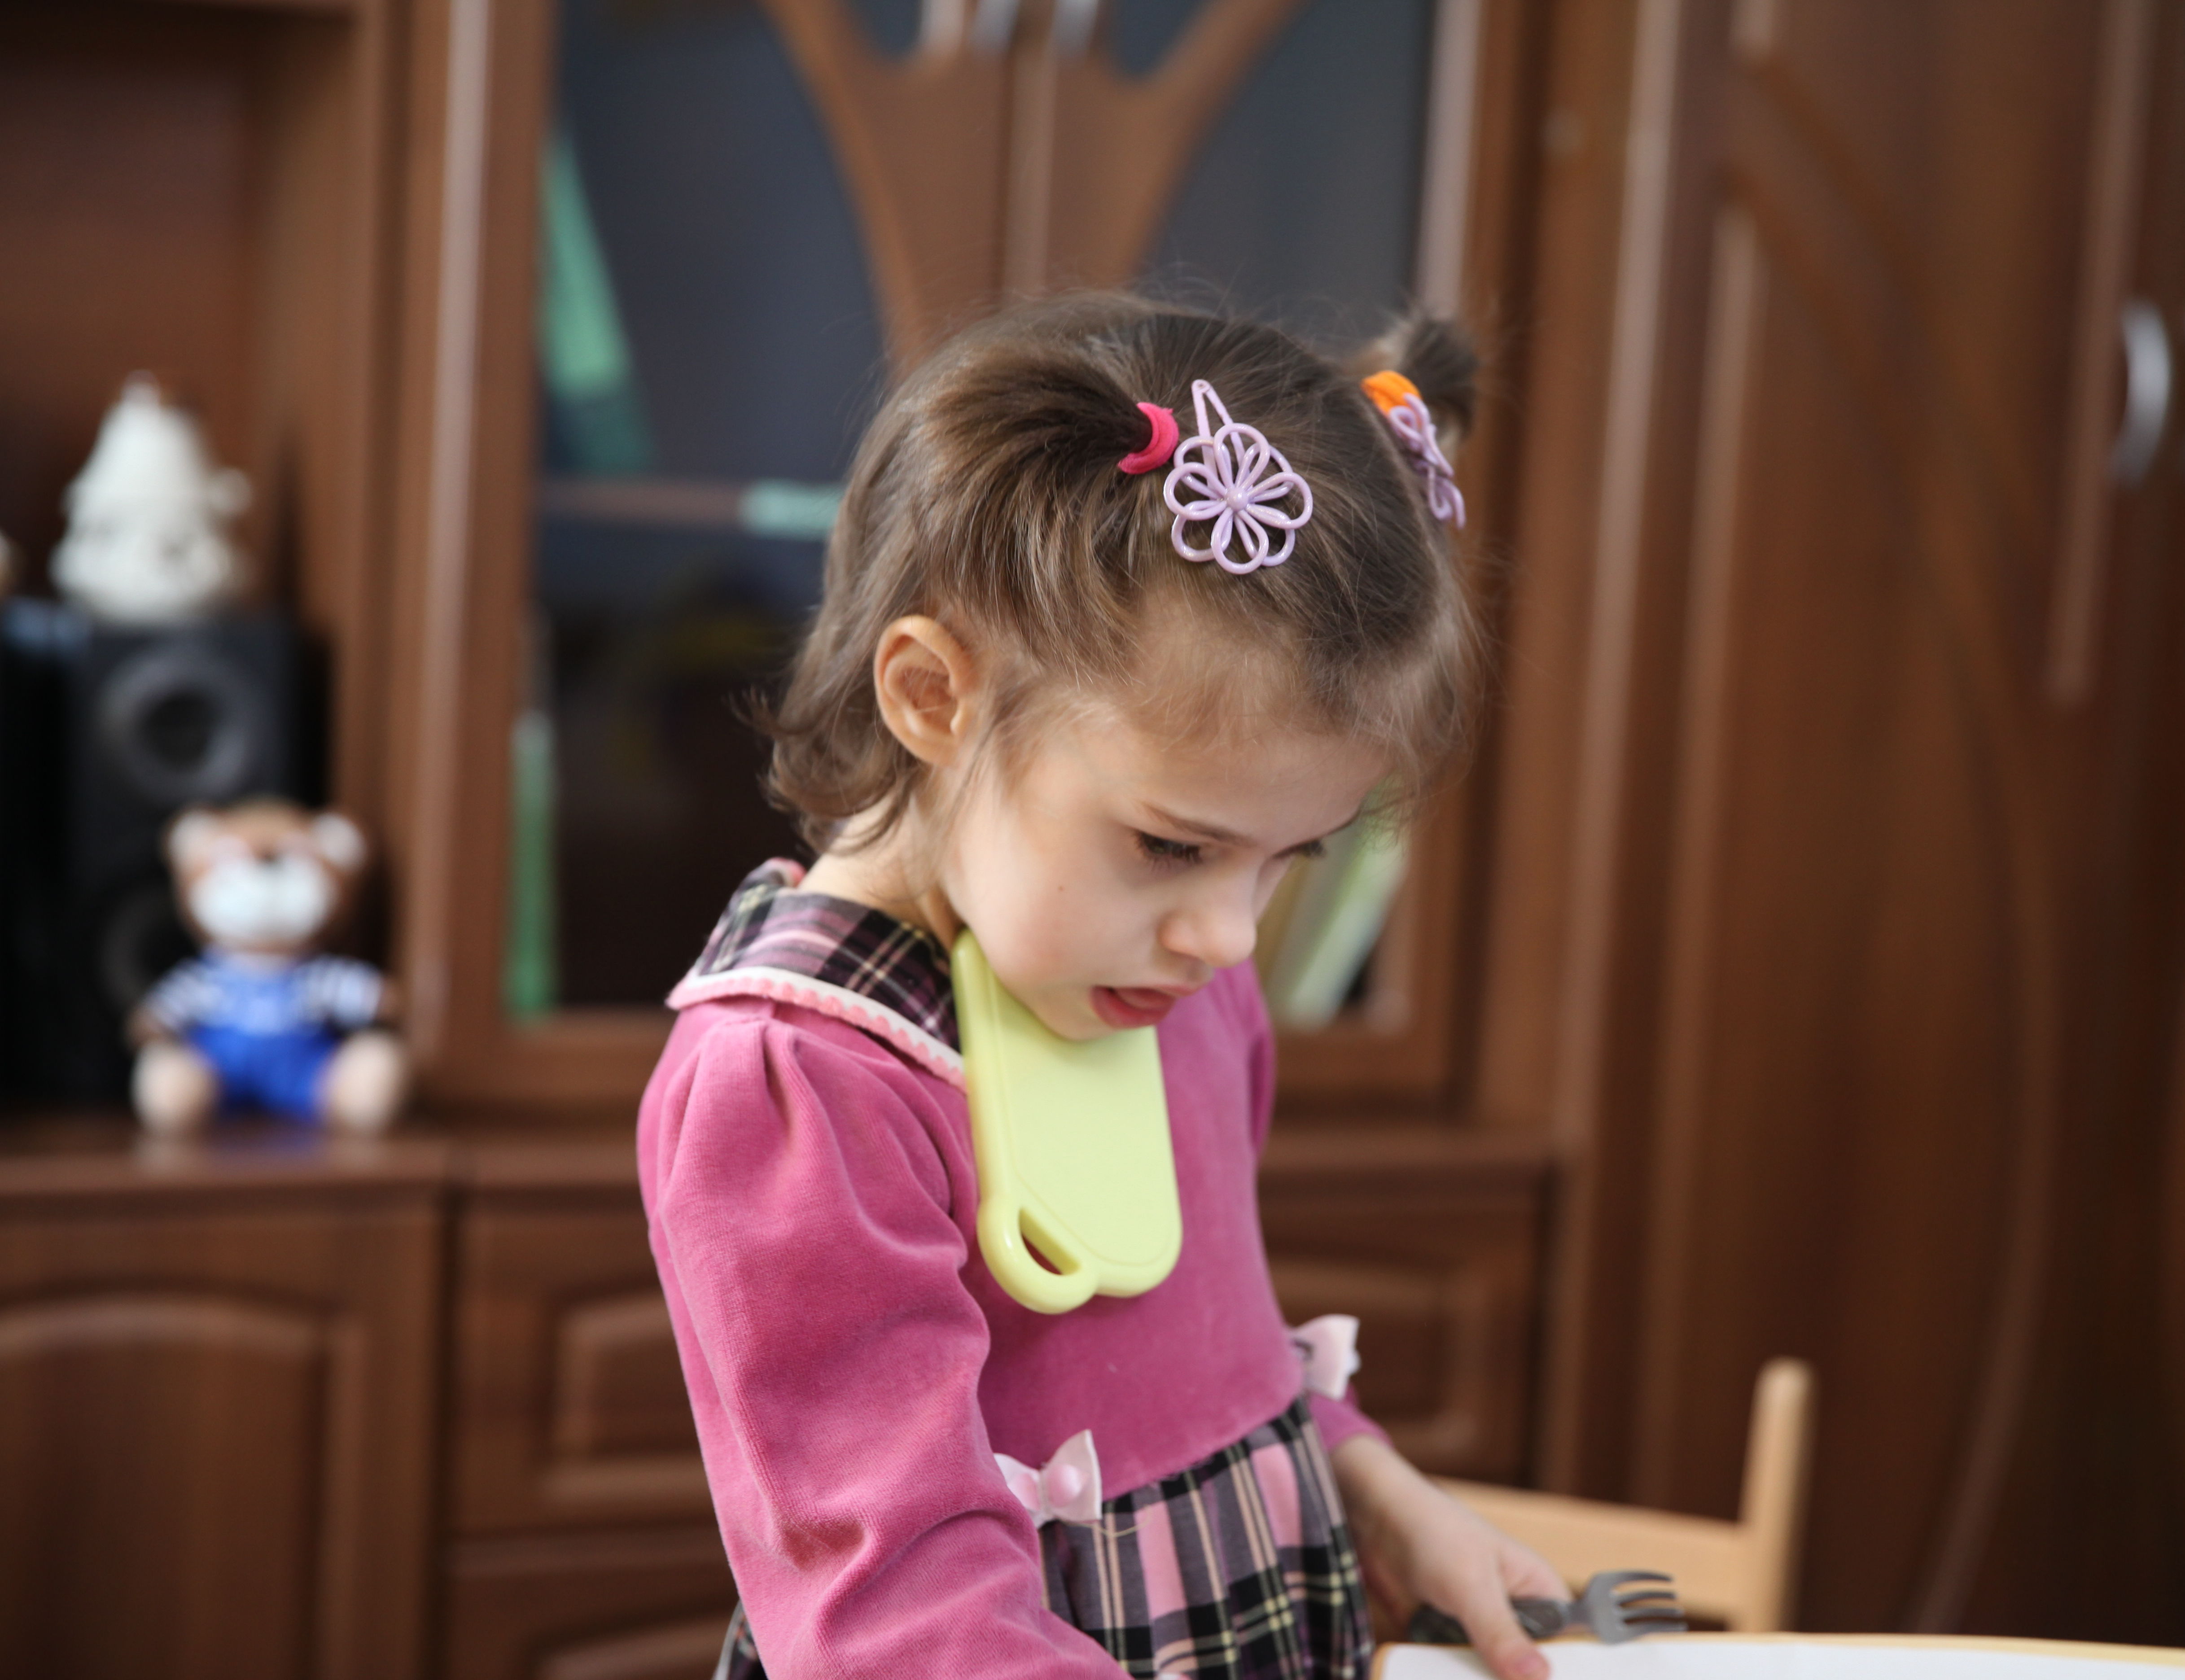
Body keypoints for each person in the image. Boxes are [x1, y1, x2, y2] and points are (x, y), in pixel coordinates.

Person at [638, 293, 1562, 1679]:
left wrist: (1372, 1486)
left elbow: (1202, 1352)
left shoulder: (1155, 972)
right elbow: (900, 1619)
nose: (1231, 938)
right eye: (1174, 846)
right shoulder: (801, 1090)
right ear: (934, 698)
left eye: (1289, 858)